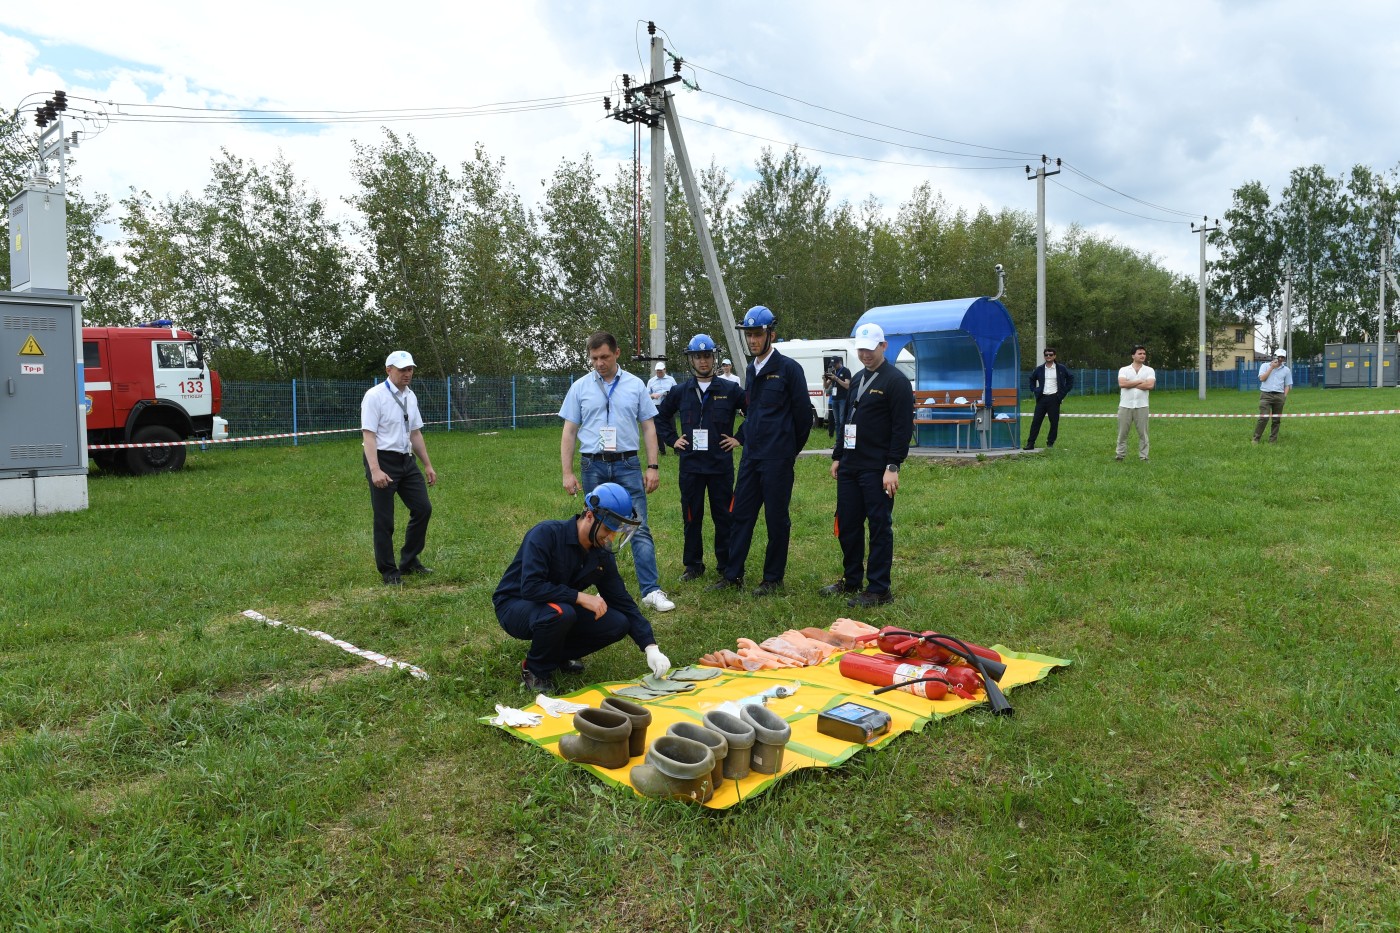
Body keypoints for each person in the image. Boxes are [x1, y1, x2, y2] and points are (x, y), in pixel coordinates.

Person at [494, 483, 671, 693]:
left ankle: (557, 655)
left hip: (557, 604)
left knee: (618, 623)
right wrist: (580, 597)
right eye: (607, 529)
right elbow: (531, 587)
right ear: (589, 516)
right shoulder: (545, 534)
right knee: (562, 612)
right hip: (516, 604)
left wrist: (650, 647)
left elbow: (622, 601)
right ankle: (535, 669)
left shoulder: (601, 553)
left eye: (616, 532)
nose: (610, 538)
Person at [559, 332, 675, 612]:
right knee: (596, 528)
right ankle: (602, 592)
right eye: (594, 358)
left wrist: (652, 466)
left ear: (617, 354)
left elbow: (648, 427)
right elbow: (570, 431)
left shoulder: (635, 386)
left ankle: (651, 591)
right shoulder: (580, 387)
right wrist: (567, 472)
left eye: (604, 357)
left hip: (626, 464)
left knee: (638, 526)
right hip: (592, 465)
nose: (599, 363)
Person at [711, 306, 811, 596]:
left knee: (776, 518)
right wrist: (745, 439)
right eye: (749, 335)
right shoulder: (751, 370)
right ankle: (733, 574)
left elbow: (804, 416)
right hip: (751, 457)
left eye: (757, 335)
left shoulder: (789, 369)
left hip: (777, 458)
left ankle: (772, 578)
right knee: (741, 514)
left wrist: (789, 450)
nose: (752, 340)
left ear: (771, 334)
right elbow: (752, 412)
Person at [823, 322, 914, 608]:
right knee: (848, 524)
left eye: (870, 349)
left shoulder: (896, 381)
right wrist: (838, 455)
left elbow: (902, 428)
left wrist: (893, 466)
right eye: (861, 349)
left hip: (877, 469)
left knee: (878, 527)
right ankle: (852, 580)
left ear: (883, 346)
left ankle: (879, 589)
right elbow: (846, 421)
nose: (865, 355)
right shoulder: (858, 378)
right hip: (850, 465)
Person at [655, 334, 746, 582]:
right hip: (691, 466)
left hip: (720, 466)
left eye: (707, 356)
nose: (703, 361)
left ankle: (726, 565)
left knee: (724, 517)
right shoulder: (680, 391)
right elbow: (661, 417)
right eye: (698, 356)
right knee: (692, 516)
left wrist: (739, 437)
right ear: (691, 360)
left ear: (714, 357)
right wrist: (673, 440)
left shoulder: (730, 390)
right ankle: (693, 565)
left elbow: (755, 413)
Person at [361, 350, 438, 585]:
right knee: (385, 520)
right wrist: (375, 469)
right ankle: (389, 571)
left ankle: (409, 560)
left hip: (406, 460)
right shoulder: (374, 396)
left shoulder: (410, 396)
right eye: (402, 369)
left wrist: (427, 464)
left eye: (410, 369)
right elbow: (369, 435)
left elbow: (415, 432)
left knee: (423, 509)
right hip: (382, 460)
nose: (407, 373)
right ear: (388, 370)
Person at [1025, 347, 1075, 449]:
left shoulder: (1061, 368)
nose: (1048, 356)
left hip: (1054, 398)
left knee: (1054, 422)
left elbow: (1070, 378)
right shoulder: (1039, 369)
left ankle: (1050, 443)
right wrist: (1035, 390)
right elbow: (1031, 379)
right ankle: (1030, 443)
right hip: (1042, 398)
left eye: (1051, 355)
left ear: (1054, 356)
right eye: (1046, 355)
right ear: (1044, 356)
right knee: (1036, 421)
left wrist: (1062, 393)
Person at [1116, 344, 1156, 462]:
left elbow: (1150, 385)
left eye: (1144, 353)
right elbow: (1122, 384)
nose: (1142, 355)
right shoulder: (1124, 369)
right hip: (1125, 406)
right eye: (1140, 353)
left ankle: (1144, 456)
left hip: (1142, 406)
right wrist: (1139, 381)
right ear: (1133, 356)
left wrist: (1131, 383)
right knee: (1122, 433)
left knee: (1143, 433)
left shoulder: (1149, 370)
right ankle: (1120, 455)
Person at [1253, 350, 1293, 444]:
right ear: (1274, 356)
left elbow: (1288, 385)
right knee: (1264, 418)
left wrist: (1284, 397)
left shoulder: (1286, 370)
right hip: (1266, 395)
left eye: (1282, 357)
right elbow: (1262, 378)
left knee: (1276, 419)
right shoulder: (1265, 366)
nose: (1280, 359)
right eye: (1278, 357)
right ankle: (1256, 439)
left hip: (1279, 396)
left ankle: (1272, 441)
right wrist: (1271, 368)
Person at [822, 359, 853, 438]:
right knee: (837, 422)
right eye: (832, 365)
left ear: (839, 363)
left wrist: (836, 378)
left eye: (835, 364)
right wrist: (824, 380)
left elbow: (847, 385)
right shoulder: (833, 372)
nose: (834, 366)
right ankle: (838, 441)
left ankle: (844, 440)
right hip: (834, 400)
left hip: (843, 399)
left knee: (842, 420)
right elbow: (826, 386)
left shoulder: (846, 371)